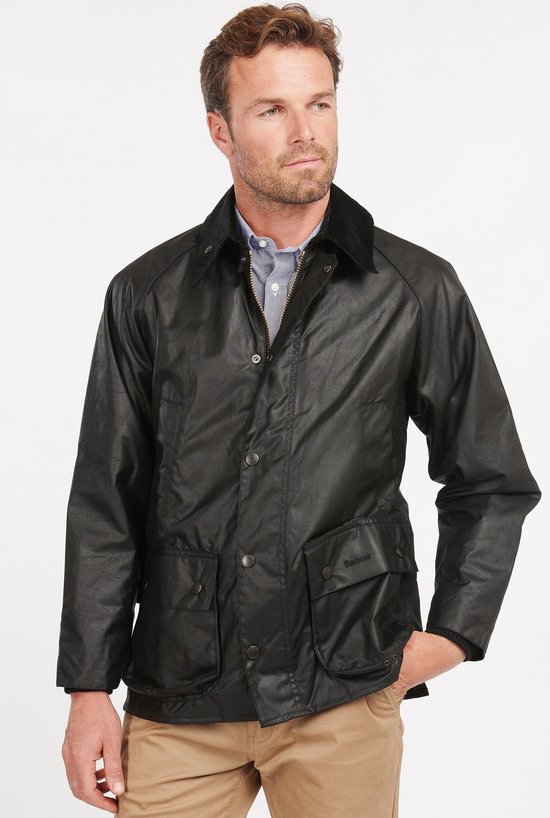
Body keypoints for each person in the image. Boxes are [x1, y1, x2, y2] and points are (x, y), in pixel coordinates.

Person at [56, 3, 541, 816]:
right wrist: (87, 687)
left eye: (319, 103)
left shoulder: (413, 289)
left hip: (343, 684)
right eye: (271, 110)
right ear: (220, 130)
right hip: (182, 688)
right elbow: (107, 498)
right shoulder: (148, 294)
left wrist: (453, 634)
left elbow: (490, 477)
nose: (305, 130)